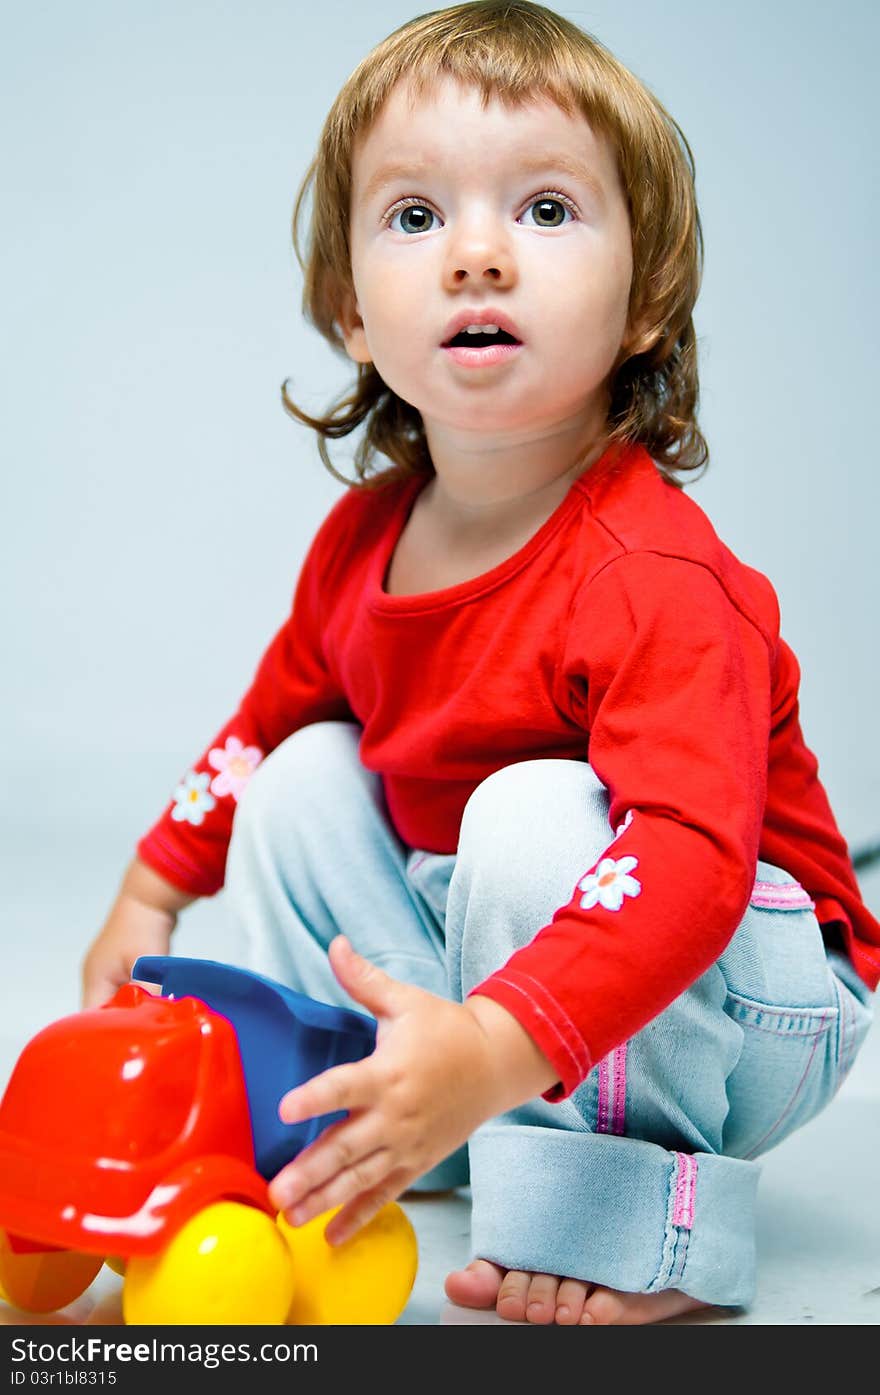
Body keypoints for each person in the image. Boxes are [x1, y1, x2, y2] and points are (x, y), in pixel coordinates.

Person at [80, 1, 879, 1326]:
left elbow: (684, 856)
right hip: (510, 948)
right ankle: (411, 1113)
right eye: (414, 217)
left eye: (548, 210)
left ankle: (638, 1221)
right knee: (303, 776)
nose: (479, 255)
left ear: (645, 303)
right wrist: (149, 894)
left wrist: (504, 1037)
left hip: (749, 990)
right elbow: (256, 728)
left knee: (528, 809)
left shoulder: (651, 573)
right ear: (349, 309)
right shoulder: (364, 543)